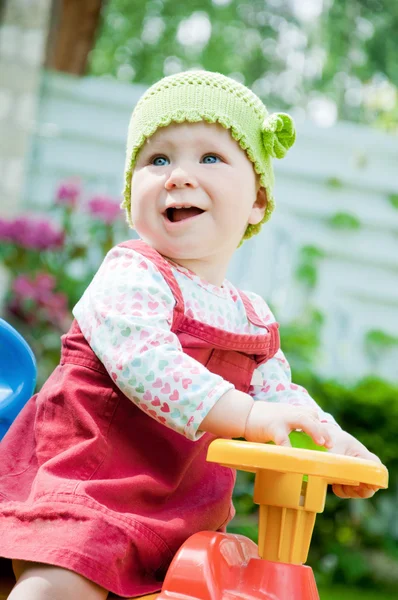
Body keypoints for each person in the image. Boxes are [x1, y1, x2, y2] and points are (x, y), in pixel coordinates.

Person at [0, 71, 381, 600]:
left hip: (184, 524)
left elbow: (279, 397)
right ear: (131, 199)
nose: (178, 175)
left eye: (210, 158)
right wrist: (246, 416)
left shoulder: (251, 317)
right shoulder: (130, 273)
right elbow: (147, 364)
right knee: (59, 586)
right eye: (157, 160)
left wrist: (328, 437)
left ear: (257, 202)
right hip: (88, 494)